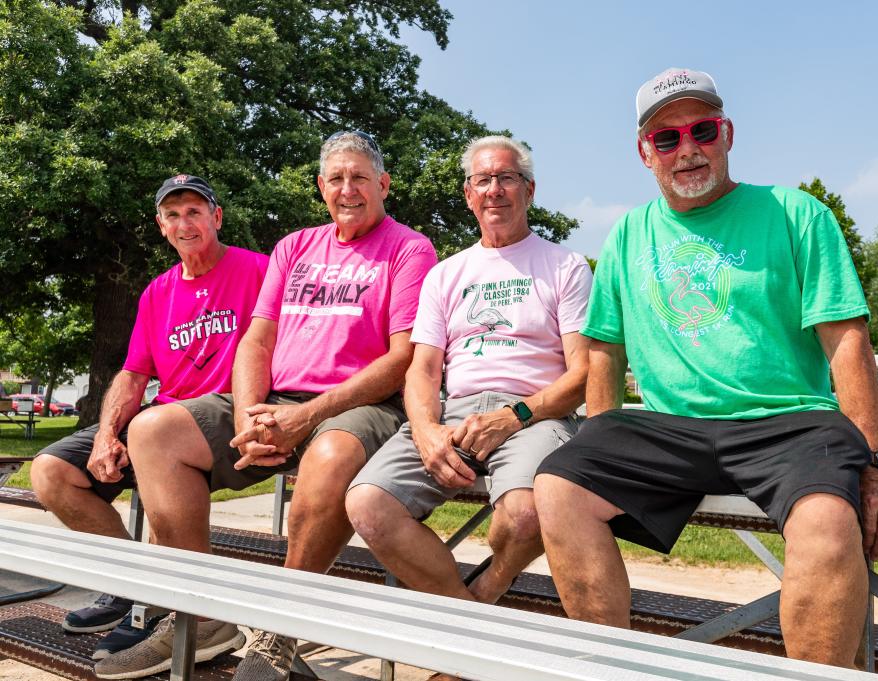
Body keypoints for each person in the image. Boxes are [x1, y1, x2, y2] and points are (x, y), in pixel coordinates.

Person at [534, 67, 878, 669]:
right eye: (666, 138)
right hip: (672, 429)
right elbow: (604, 348)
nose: (687, 149)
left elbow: (848, 344)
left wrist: (875, 469)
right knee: (558, 487)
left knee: (827, 523)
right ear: (644, 152)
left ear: (728, 133)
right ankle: (607, 669)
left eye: (702, 129)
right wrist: (603, 440)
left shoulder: (797, 214)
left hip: (790, 424)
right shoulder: (630, 232)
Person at [92, 131, 437, 680]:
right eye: (336, 179)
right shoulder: (294, 246)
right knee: (153, 431)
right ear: (321, 186)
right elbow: (257, 341)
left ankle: (281, 630)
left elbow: (401, 359)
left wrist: (307, 415)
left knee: (326, 457)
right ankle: (200, 615)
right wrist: (252, 413)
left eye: (360, 177)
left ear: (383, 184)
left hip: (361, 404)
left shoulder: (409, 248)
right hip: (274, 399)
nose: (348, 189)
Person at [345, 136, 591, 638]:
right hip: (454, 413)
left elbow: (583, 373)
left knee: (524, 516)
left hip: (533, 415)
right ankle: (475, 630)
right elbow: (422, 368)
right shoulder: (445, 274)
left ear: (530, 190)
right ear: (467, 194)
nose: (495, 190)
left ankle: (479, 605)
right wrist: (425, 430)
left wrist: (513, 417)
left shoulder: (565, 267)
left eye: (507, 178)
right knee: (368, 504)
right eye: (483, 180)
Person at [30, 175, 268, 656]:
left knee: (157, 440)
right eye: (173, 215)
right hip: (159, 417)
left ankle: (177, 610)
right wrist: (106, 435)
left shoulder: (258, 270)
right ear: (161, 227)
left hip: (222, 415)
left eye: (195, 212)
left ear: (216, 218)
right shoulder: (157, 292)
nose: (185, 223)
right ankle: (135, 586)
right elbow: (134, 373)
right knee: (50, 471)